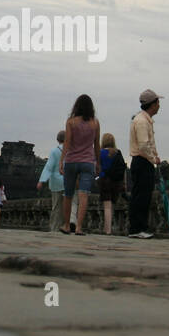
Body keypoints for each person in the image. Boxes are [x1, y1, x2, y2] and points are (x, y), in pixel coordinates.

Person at [60, 94, 101, 236]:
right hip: (88, 162)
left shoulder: (71, 122)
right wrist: (98, 162)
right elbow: (97, 145)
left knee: (68, 194)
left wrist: (61, 161)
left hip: (71, 161)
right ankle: (78, 227)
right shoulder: (95, 123)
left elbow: (67, 142)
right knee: (84, 195)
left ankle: (66, 225)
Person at [128, 90, 163, 238]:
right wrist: (153, 158)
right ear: (152, 104)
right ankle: (138, 228)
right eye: (157, 103)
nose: (159, 106)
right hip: (143, 161)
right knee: (141, 196)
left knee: (141, 195)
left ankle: (138, 227)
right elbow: (143, 145)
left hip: (141, 161)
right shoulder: (142, 121)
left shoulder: (143, 119)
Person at [37, 132, 67, 233]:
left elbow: (49, 167)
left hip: (56, 182)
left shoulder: (55, 151)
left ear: (57, 140)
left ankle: (54, 228)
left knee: (56, 206)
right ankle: (64, 226)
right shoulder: (71, 151)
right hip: (68, 181)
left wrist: (42, 180)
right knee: (67, 206)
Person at [98, 133, 127, 235]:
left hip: (105, 179)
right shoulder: (117, 152)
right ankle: (109, 227)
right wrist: (124, 183)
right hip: (116, 181)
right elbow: (123, 168)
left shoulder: (100, 153)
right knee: (112, 205)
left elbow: (97, 167)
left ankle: (107, 229)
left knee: (106, 206)